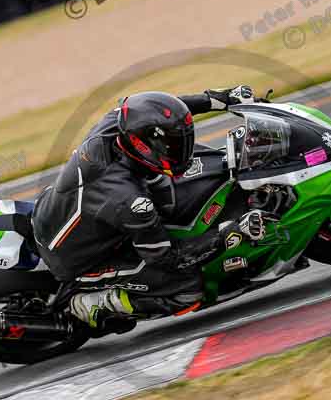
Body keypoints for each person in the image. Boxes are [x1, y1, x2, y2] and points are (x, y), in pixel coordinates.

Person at [31, 86, 266, 334]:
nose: (177, 148)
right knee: (189, 286)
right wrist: (226, 235)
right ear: (141, 146)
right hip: (78, 259)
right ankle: (94, 303)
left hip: (58, 213)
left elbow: (161, 115)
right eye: (170, 145)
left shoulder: (118, 122)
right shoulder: (129, 200)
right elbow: (168, 258)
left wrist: (219, 100)